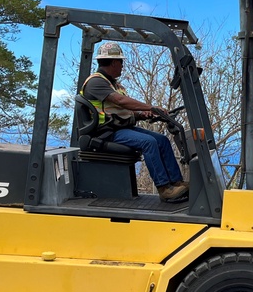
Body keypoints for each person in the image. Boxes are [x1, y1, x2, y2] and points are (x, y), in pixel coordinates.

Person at [81, 42, 189, 202]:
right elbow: (120, 101)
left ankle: (176, 183)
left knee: (162, 140)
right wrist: (151, 107)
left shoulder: (113, 84)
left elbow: (120, 111)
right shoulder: (96, 82)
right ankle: (164, 188)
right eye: (121, 62)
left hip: (120, 128)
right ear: (113, 62)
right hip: (106, 133)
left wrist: (144, 114)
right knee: (149, 143)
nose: (122, 66)